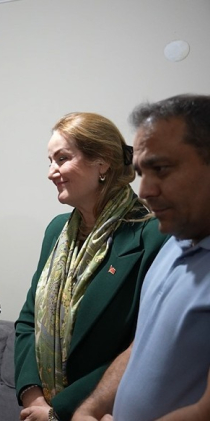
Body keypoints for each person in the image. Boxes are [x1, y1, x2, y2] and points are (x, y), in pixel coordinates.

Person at [14, 112, 168, 421]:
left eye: (62, 159)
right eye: (50, 161)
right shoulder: (56, 231)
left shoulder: (152, 235)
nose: (51, 172)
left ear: (103, 163)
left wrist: (59, 411)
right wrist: (33, 397)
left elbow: (145, 345)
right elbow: (28, 321)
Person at [73, 94, 210, 421]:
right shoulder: (174, 243)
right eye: (141, 173)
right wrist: (90, 409)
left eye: (161, 169)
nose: (145, 191)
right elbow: (141, 345)